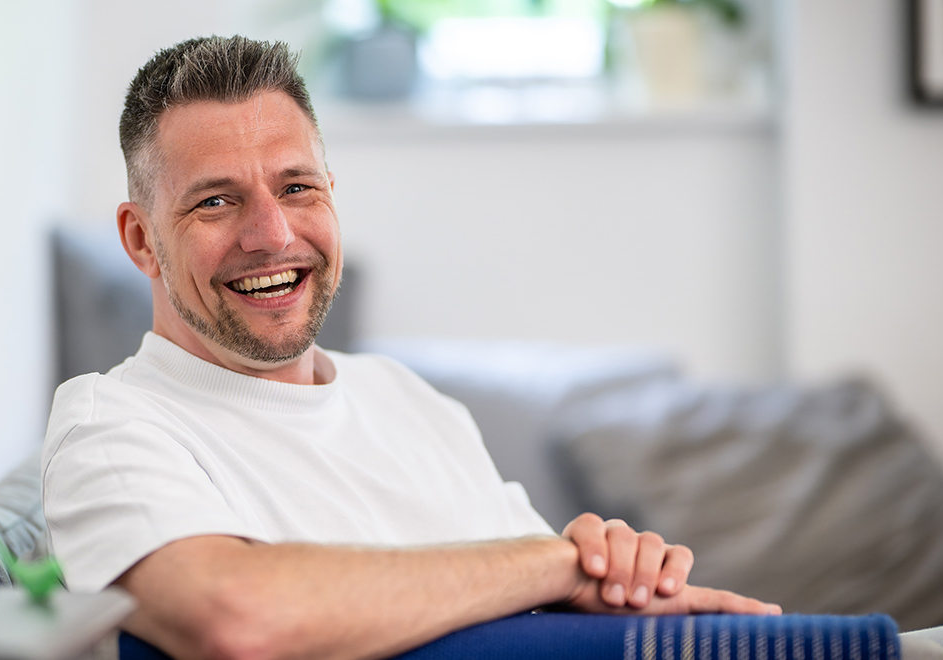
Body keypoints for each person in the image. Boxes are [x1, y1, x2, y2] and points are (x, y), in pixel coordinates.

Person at [41, 35, 779, 660]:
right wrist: (554, 563)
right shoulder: (110, 423)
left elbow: (543, 600)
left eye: (296, 187)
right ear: (141, 238)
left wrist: (611, 577)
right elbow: (234, 618)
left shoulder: (404, 397)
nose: (272, 234)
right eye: (216, 200)